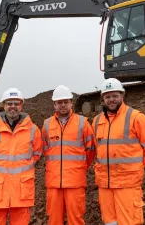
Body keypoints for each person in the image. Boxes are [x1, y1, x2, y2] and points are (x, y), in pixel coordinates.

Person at [92, 78, 145, 225]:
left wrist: (135, 168)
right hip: (105, 185)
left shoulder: (136, 118)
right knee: (110, 222)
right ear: (103, 99)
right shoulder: (97, 121)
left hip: (127, 184)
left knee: (129, 222)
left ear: (122, 95)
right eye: (107, 96)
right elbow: (98, 149)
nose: (111, 100)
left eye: (115, 95)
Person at [0, 87, 42, 225]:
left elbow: (37, 154)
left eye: (16, 103)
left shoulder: (33, 130)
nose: (12, 107)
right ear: (3, 106)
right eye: (9, 103)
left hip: (22, 192)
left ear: (21, 106)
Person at [42, 85, 96, 225]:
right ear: (54, 104)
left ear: (71, 103)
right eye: (59, 102)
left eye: (66, 101)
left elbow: (91, 150)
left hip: (75, 182)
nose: (63, 105)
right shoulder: (47, 125)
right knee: (54, 220)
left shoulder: (83, 123)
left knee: (76, 219)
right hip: (54, 183)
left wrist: (79, 167)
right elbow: (45, 150)